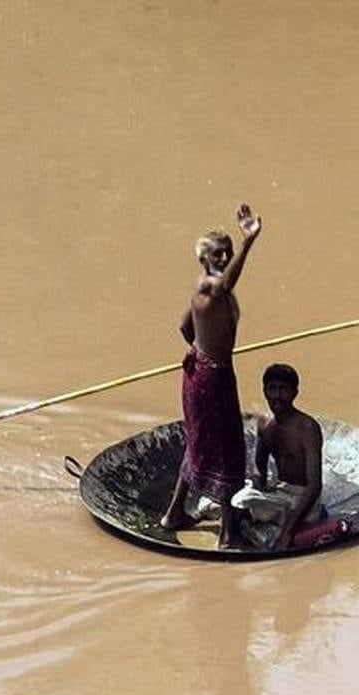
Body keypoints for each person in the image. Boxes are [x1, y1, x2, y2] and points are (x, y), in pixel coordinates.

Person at [160, 203, 263, 549]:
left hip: (206, 371)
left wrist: (202, 349)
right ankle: (227, 533)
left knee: (201, 443)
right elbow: (223, 286)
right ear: (205, 260)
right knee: (226, 449)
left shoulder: (209, 290)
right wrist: (249, 240)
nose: (224, 259)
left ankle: (175, 514)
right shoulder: (210, 287)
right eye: (219, 255)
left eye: (228, 253)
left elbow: (184, 326)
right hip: (211, 378)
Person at [233, 363, 324, 551]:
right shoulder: (265, 424)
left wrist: (287, 531)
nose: (276, 396)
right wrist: (258, 484)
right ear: (264, 390)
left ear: (294, 393)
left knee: (254, 511)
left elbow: (314, 485)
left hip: (302, 497)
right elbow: (260, 467)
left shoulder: (307, 428)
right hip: (279, 493)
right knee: (239, 498)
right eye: (271, 389)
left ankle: (280, 527)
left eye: (283, 390)